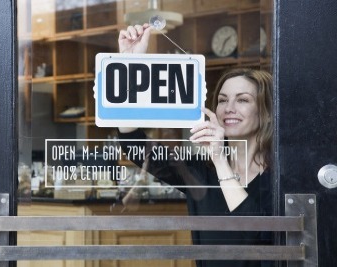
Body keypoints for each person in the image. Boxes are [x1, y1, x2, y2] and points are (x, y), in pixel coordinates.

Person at [117, 24, 274, 267]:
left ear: (266, 112)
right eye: (222, 100)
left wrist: (221, 160)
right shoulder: (199, 171)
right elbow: (134, 143)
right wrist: (130, 67)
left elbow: (257, 233)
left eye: (243, 100)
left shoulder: (281, 175)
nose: (229, 108)